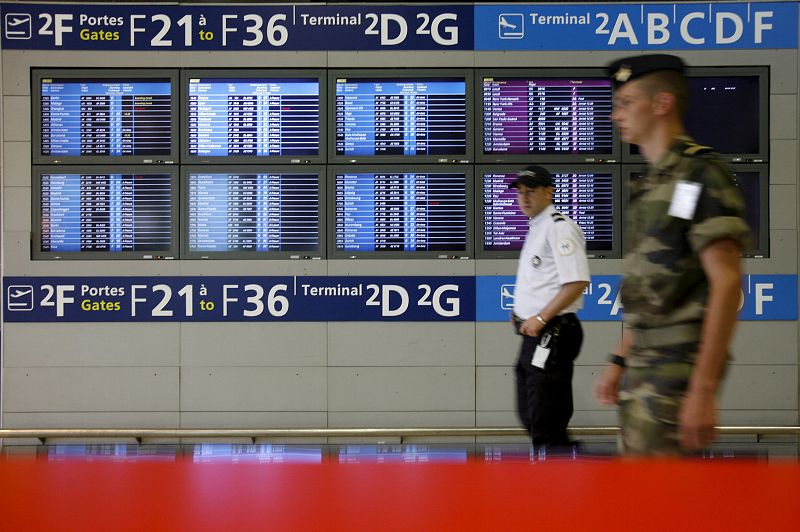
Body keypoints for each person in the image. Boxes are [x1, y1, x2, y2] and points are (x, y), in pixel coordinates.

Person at [594, 54, 750, 456]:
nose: (617, 115)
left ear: (662, 103)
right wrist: (619, 361)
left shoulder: (701, 173)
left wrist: (703, 390)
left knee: (667, 509)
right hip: (642, 372)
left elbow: (727, 282)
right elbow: (653, 289)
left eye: (627, 102)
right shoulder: (650, 184)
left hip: (675, 377)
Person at [511, 165, 590, 451]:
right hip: (536, 331)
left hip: (552, 331)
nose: (524, 198)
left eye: (531, 191)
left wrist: (542, 316)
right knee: (533, 405)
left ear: (549, 192)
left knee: (543, 410)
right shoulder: (537, 227)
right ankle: (558, 454)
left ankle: (555, 467)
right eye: (520, 192)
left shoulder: (559, 227)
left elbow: (577, 280)